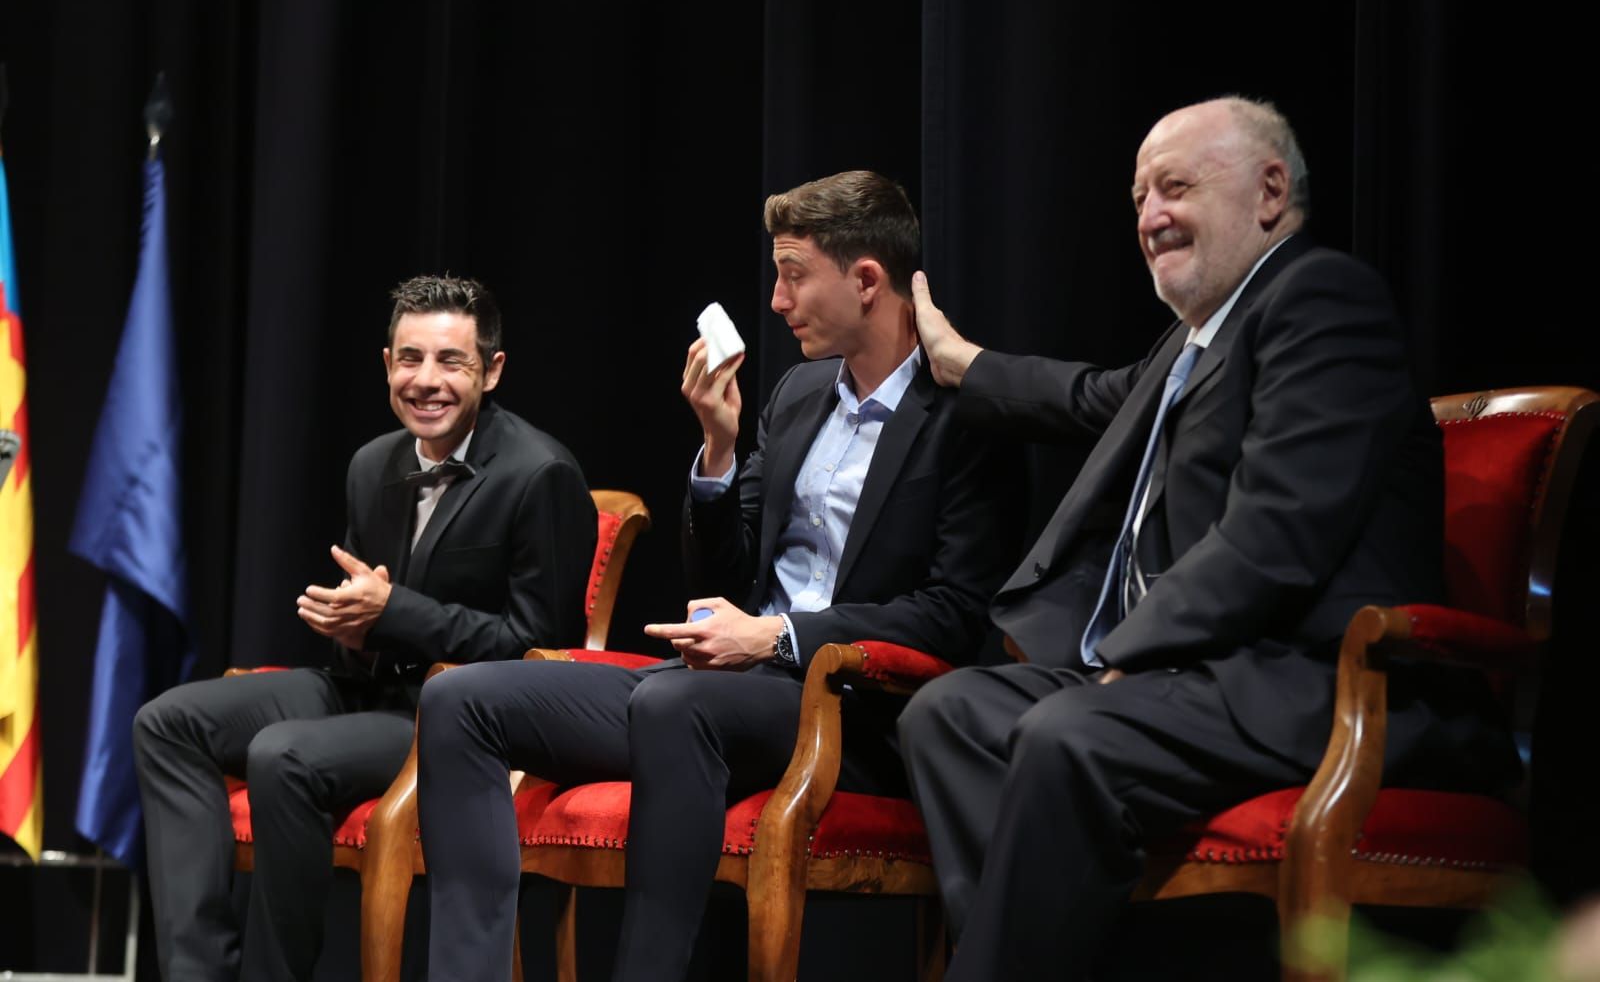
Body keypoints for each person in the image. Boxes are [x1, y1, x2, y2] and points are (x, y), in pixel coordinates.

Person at [899, 97, 1518, 980]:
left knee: (1067, 733)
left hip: (1314, 679)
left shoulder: (1321, 301)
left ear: (1270, 191)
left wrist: (1129, 652)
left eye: (1175, 187)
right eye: (1139, 196)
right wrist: (964, 365)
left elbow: (1278, 535)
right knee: (949, 714)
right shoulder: (1187, 347)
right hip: (1194, 679)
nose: (1150, 217)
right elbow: (1087, 399)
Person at [416, 170, 1020, 982]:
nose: (777, 299)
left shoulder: (966, 414)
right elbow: (722, 572)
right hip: (723, 685)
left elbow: (953, 614)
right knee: (460, 701)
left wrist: (777, 636)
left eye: (795, 275)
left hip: (851, 709)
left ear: (866, 280)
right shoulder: (801, 395)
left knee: (674, 701)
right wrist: (719, 448)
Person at [132, 275, 595, 982]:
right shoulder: (371, 464)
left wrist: (394, 614)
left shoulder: (539, 474)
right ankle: (199, 972)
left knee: (283, 755)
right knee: (168, 722)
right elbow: (370, 613)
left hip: (453, 720)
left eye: (451, 362)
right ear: (387, 365)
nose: (426, 381)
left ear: (492, 370)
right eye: (409, 359)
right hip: (365, 688)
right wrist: (350, 627)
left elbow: (540, 650)